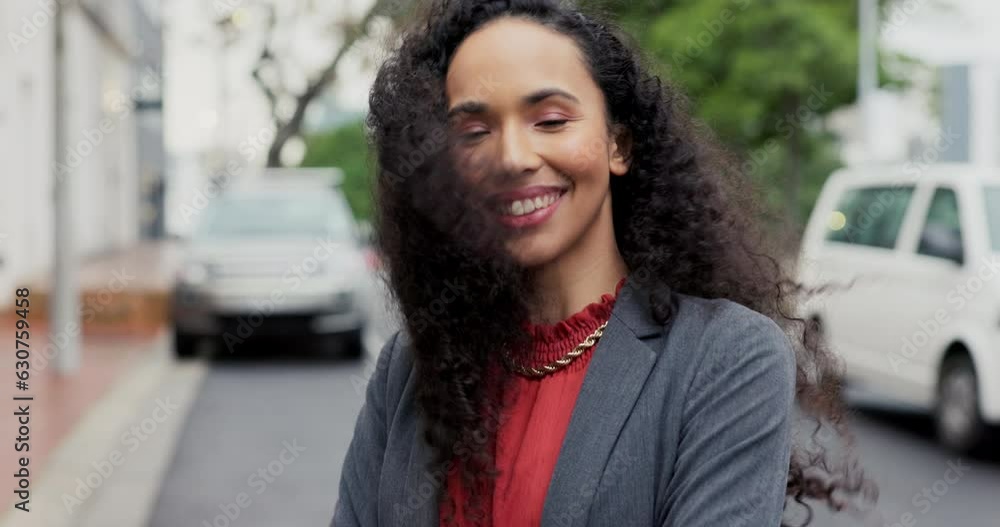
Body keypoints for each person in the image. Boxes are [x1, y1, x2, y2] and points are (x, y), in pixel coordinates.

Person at [334, 1, 874, 526]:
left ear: (619, 144)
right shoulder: (410, 366)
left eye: (549, 120)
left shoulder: (728, 359)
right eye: (473, 132)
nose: (513, 158)